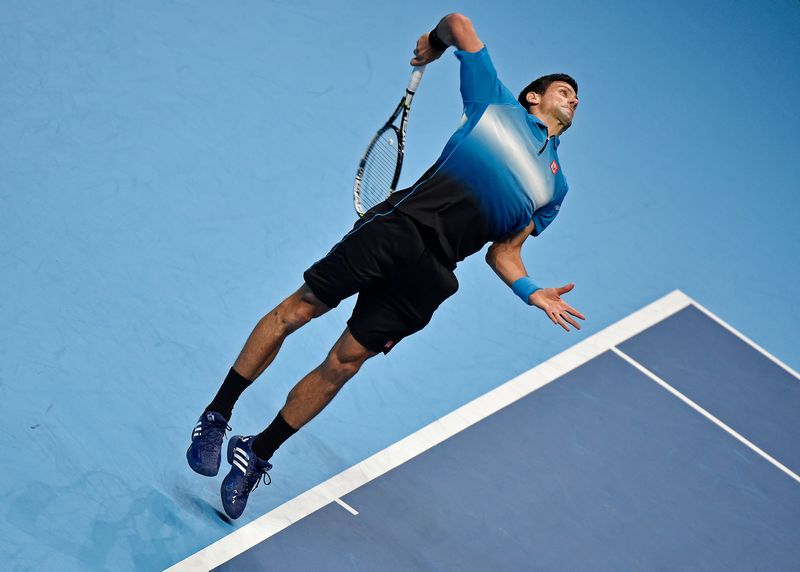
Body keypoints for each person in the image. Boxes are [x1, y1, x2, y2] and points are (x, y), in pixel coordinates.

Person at [187, 12, 585, 520]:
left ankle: (257, 451)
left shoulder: (555, 188)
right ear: (534, 96)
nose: (572, 98)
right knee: (299, 309)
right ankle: (217, 414)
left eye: (576, 98)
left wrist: (531, 291)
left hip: (432, 276)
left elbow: (504, 252)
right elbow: (459, 22)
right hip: (397, 229)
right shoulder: (496, 103)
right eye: (562, 90)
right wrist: (436, 44)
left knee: (344, 364)